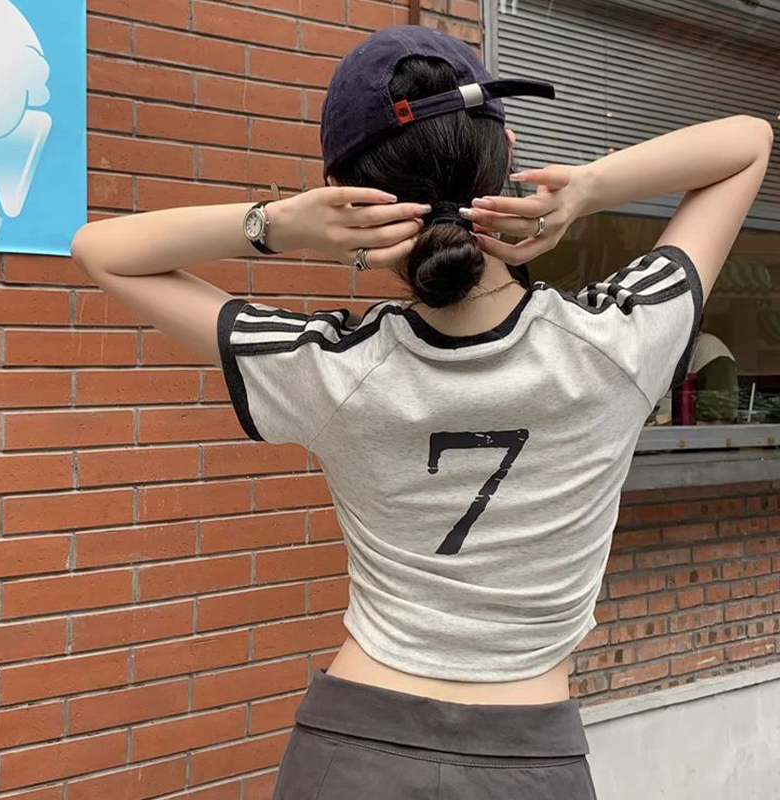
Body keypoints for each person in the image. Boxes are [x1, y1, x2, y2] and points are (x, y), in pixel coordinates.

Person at [70, 24, 774, 800]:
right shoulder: (618, 345)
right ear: (505, 156)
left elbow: (102, 249)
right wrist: (587, 189)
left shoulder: (333, 366)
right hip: (528, 765)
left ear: (345, 196)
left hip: (349, 755)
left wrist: (275, 225)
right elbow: (747, 142)